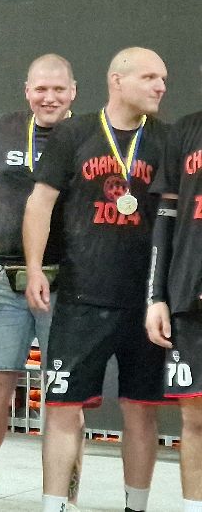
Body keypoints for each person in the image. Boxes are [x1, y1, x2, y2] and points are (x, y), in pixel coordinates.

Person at [23, 47, 168, 512]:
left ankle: (135, 508)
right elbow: (40, 202)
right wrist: (34, 267)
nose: (160, 86)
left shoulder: (166, 140)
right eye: (150, 77)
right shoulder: (74, 133)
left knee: (141, 412)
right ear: (117, 81)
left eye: (163, 79)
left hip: (147, 302)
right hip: (82, 297)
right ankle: (54, 507)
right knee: (63, 408)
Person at [0, 54, 78, 512]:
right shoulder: (2, 128)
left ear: (73, 92)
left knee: (64, 394)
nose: (49, 97)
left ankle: (62, 500)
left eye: (59, 89)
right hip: (4, 279)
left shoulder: (87, 138)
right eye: (41, 89)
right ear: (27, 91)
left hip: (67, 283)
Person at [145, 92, 202, 512]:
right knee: (195, 420)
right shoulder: (186, 130)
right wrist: (156, 295)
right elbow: (164, 220)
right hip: (189, 298)